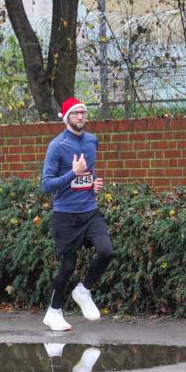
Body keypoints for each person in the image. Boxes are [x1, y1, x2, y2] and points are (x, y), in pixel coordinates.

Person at [41, 97, 113, 331]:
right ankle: (54, 312)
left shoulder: (92, 141)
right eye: (75, 113)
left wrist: (94, 182)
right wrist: (73, 173)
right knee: (68, 266)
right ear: (66, 117)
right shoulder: (57, 146)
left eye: (83, 113)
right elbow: (46, 185)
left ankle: (83, 291)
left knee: (106, 251)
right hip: (66, 215)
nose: (80, 117)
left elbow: (89, 172)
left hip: (90, 211)